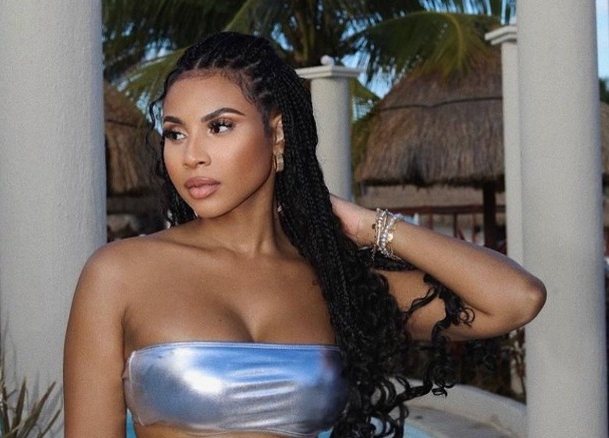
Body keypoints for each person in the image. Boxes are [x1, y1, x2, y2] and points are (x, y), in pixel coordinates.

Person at [63, 32, 546, 438]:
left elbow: (515, 299)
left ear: (277, 135)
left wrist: (365, 225)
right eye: (175, 133)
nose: (192, 156)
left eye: (220, 127)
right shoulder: (120, 273)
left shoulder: (339, 282)